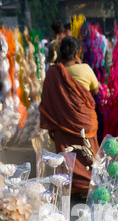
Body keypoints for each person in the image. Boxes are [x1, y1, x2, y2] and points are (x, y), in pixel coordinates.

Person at [39, 36, 100, 196]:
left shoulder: (53, 72)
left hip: (62, 122)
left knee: (68, 154)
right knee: (88, 152)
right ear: (76, 53)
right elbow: (95, 90)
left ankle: (69, 187)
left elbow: (47, 99)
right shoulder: (85, 68)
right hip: (84, 120)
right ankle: (90, 185)